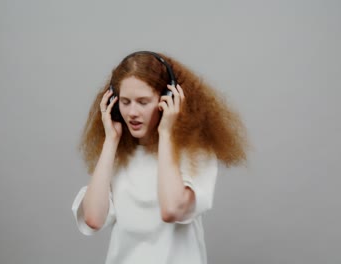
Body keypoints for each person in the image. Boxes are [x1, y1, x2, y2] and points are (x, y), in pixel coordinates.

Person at [72, 51, 248, 264]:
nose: (132, 113)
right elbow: (93, 219)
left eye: (143, 102)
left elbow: (172, 209)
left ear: (167, 100)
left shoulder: (195, 155)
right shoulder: (118, 156)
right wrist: (111, 140)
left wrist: (166, 134)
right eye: (125, 102)